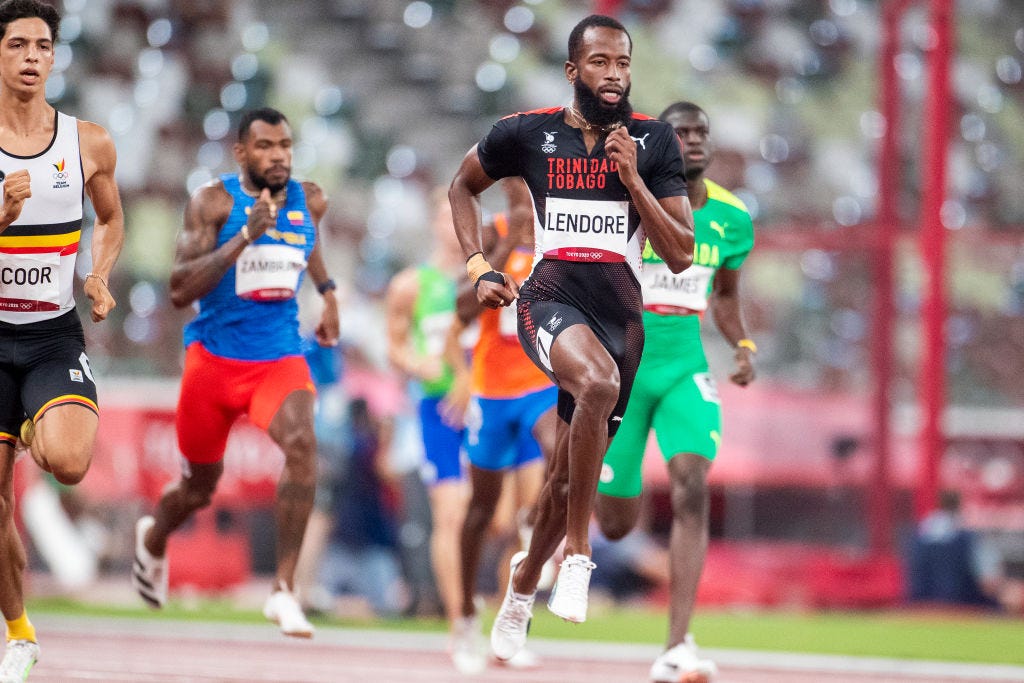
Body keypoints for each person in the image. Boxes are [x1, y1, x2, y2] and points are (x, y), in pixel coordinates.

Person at [448, 14, 694, 662]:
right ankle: (579, 553)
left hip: (622, 314)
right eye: (600, 63)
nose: (614, 76)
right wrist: (479, 265)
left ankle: (523, 585)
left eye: (623, 64)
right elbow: (461, 187)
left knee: (564, 477)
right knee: (597, 382)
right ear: (572, 70)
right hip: (550, 296)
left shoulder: (655, 140)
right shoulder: (529, 134)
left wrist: (635, 178)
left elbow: (679, 254)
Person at [131, 107, 339, 639]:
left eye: (286, 146)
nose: (279, 157)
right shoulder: (214, 203)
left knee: (302, 443)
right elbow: (179, 290)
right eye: (266, 147)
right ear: (242, 154)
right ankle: (155, 537)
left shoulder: (308, 198)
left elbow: (308, 242)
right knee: (199, 488)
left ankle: (284, 590)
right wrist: (244, 235)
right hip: (214, 363)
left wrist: (329, 292)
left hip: (278, 357)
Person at [594, 101, 756, 683]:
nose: (693, 140)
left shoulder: (733, 219)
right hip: (624, 367)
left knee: (691, 481)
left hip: (685, 363)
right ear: (657, 140)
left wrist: (742, 345)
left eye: (701, 132)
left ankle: (678, 642)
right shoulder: (619, 200)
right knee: (614, 524)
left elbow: (726, 296)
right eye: (680, 132)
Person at [0, 1, 125, 680]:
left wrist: (99, 274)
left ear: (53, 57)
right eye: (16, 43)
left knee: (70, 462)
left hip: (50, 334)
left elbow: (111, 217)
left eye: (40, 46)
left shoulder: (88, 142)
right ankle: (19, 632)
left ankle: (27, 422)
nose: (28, 56)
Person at [446, 178, 558, 674]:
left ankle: (517, 615)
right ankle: (468, 618)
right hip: (492, 393)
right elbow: (461, 310)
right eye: (522, 193)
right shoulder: (491, 235)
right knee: (482, 512)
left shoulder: (562, 241)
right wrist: (508, 244)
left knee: (558, 446)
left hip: (540, 385)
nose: (531, 204)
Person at [384, 187, 469, 642]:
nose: (454, 224)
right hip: (439, 409)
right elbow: (395, 346)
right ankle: (460, 619)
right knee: (449, 514)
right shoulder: (411, 285)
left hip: (491, 404)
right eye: (446, 215)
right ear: (434, 223)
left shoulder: (493, 279)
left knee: (499, 517)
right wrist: (424, 366)